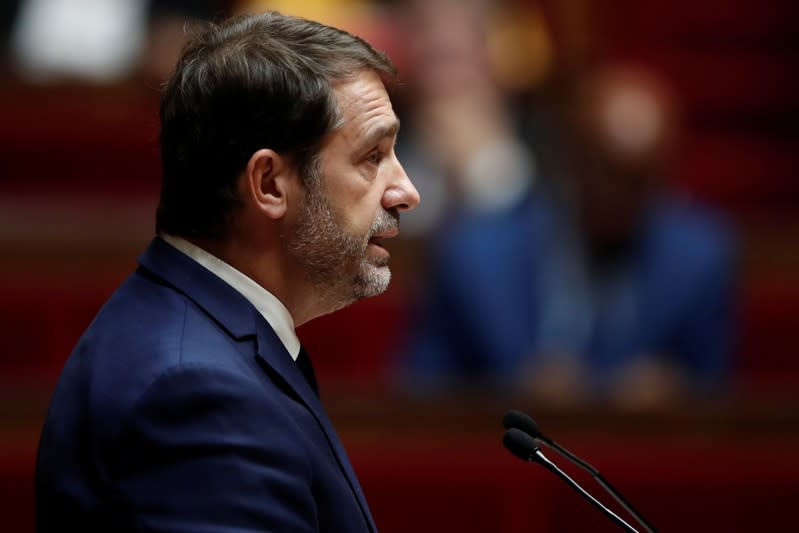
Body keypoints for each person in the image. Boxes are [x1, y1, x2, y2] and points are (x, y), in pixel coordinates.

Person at [35, 11, 419, 532]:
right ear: (269, 184)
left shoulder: (195, 337)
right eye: (373, 155)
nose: (406, 191)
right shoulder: (197, 391)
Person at [402, 63, 736, 410]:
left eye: (640, 180)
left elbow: (720, 396)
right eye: (609, 173)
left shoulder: (700, 259)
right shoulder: (474, 255)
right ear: (574, 160)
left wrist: (675, 392)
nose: (620, 195)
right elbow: (422, 393)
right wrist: (510, 392)